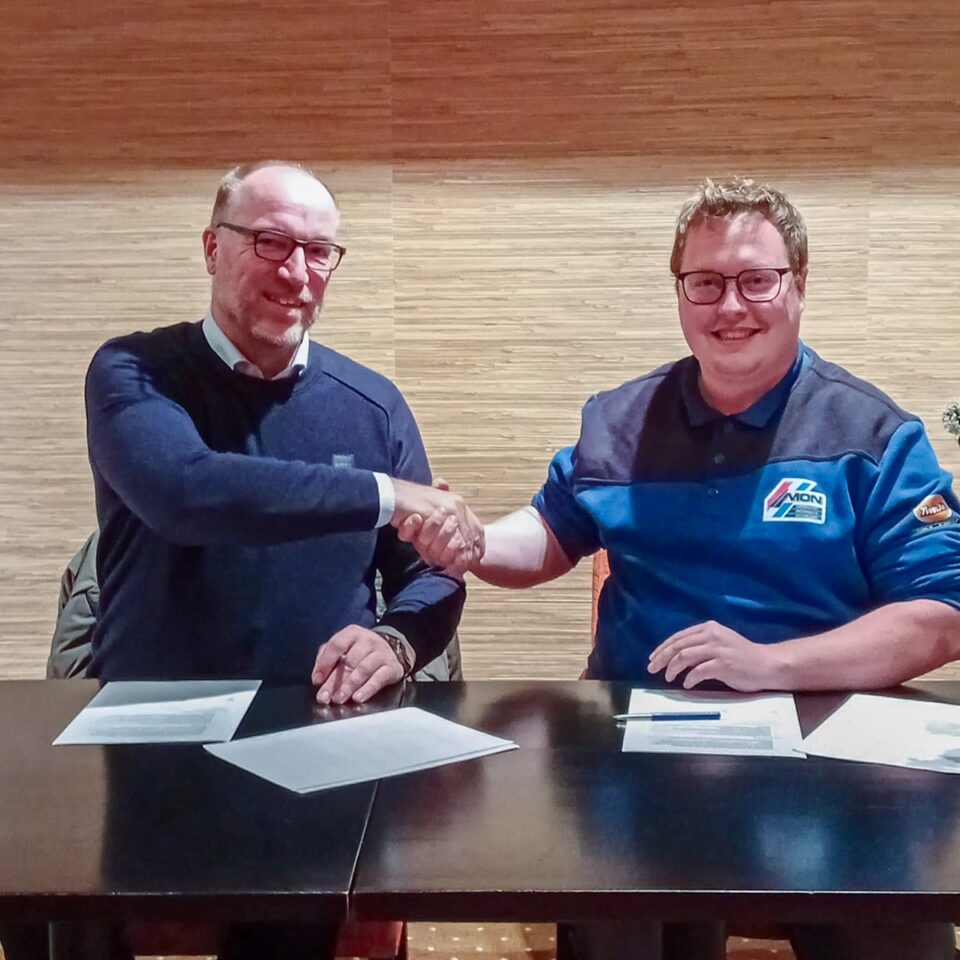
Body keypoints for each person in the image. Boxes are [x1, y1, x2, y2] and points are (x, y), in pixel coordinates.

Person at [400, 176, 960, 959]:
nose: (730, 306)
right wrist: (475, 544)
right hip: (643, 745)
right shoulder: (619, 420)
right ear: (680, 292)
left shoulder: (875, 435)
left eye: (756, 280)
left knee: (898, 932)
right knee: (609, 915)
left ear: (799, 286)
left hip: (831, 754)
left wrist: (771, 666)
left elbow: (940, 616)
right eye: (705, 282)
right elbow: (551, 533)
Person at [2, 160, 482, 960]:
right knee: (44, 894)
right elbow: (186, 492)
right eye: (270, 242)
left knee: (289, 924)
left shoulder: (372, 405)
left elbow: (430, 573)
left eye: (319, 251)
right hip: (150, 738)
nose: (296, 272)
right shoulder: (134, 372)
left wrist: (396, 642)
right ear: (212, 247)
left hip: (316, 736)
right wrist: (385, 494)